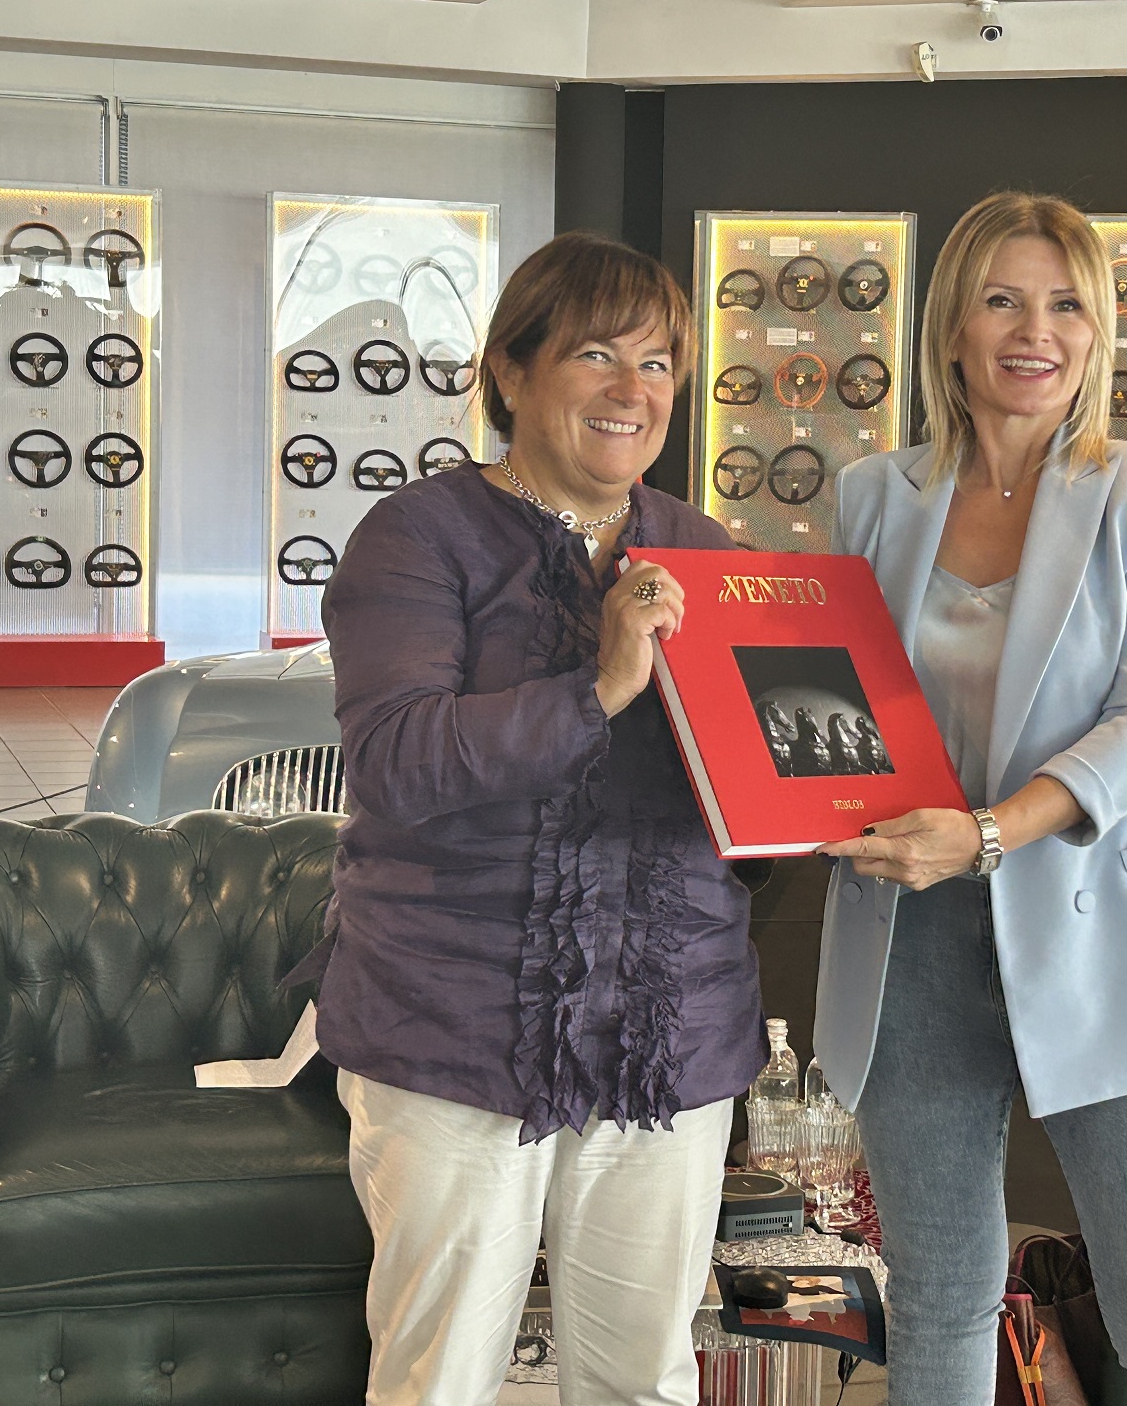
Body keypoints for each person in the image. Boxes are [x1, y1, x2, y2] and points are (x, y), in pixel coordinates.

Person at [817, 191, 1127, 1406]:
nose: (1036, 332)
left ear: (1098, 328)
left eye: (1067, 304)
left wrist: (987, 834)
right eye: (1003, 301)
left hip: (1110, 934)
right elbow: (837, 702)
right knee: (938, 1300)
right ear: (952, 329)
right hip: (911, 941)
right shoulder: (870, 496)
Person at [315, 231, 765, 1406]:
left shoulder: (707, 552)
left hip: (668, 1026)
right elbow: (395, 762)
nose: (633, 391)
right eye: (597, 355)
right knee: (440, 1376)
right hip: (454, 1026)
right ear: (510, 372)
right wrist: (600, 685)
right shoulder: (418, 536)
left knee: (645, 1378)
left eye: (658, 364)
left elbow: (745, 806)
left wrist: (823, 788)